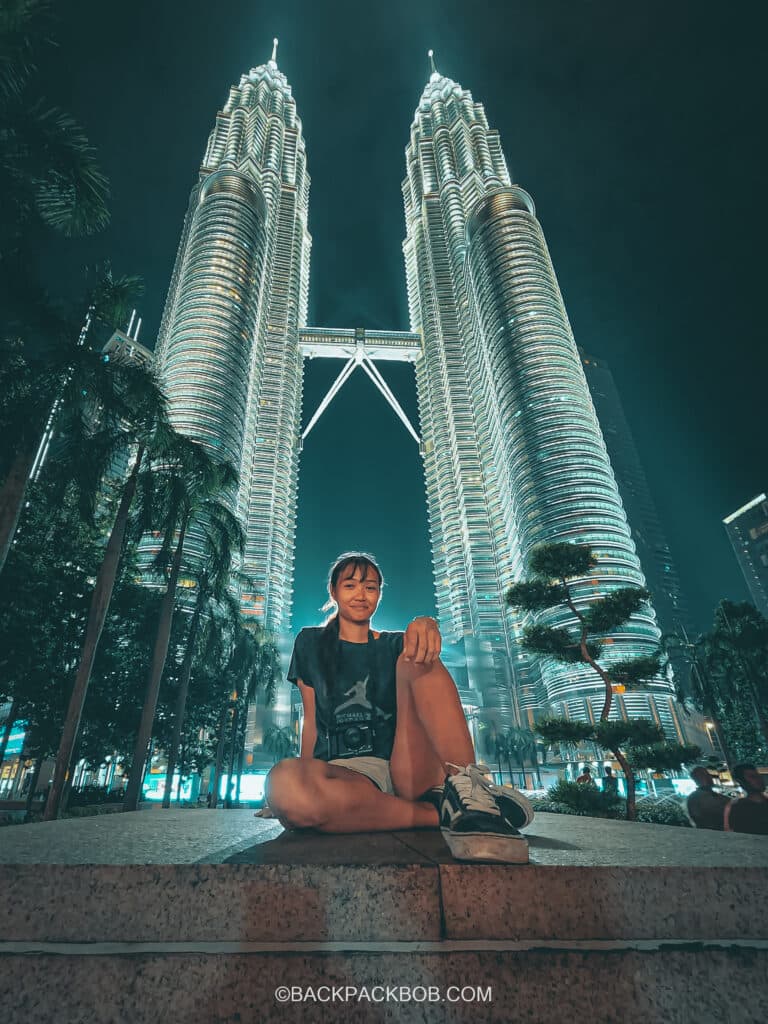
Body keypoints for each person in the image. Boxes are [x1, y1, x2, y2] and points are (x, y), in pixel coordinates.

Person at [265, 552, 533, 863]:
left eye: (371, 587)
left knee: (415, 652)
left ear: (379, 594)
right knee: (284, 785)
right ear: (334, 592)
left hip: (404, 765)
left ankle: (470, 791)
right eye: (350, 585)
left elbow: (419, 655)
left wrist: (425, 623)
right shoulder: (310, 642)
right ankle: (444, 813)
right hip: (344, 776)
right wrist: (303, 775)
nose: (361, 595)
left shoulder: (394, 645)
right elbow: (311, 721)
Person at [724, 763, 768, 835]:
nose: (759, 779)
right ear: (741, 782)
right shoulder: (735, 807)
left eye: (758, 775)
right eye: (752, 777)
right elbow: (729, 832)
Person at [686, 766, 730, 830]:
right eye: (706, 774)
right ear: (699, 778)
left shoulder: (699, 796)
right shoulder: (697, 797)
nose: (710, 777)